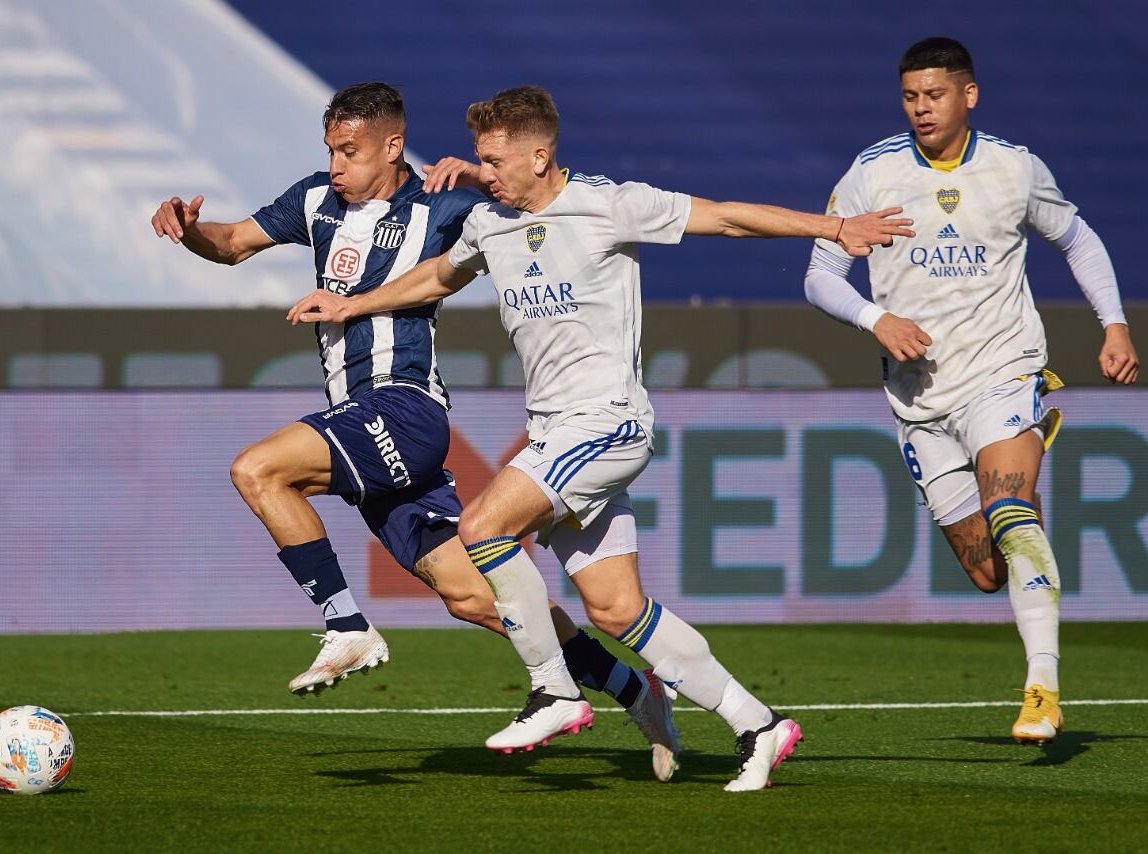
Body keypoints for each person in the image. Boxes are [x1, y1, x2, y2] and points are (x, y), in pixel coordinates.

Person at [290, 85, 913, 790]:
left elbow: (729, 218)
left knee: (483, 528)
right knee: (616, 608)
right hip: (553, 429)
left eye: (494, 161)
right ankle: (760, 726)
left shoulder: (609, 203)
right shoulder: (490, 223)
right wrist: (353, 303)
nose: (481, 172)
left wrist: (833, 231)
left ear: (539, 155)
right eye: (480, 161)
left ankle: (555, 692)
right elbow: (435, 276)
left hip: (608, 420)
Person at [151, 82, 680, 779]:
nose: (337, 165)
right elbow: (231, 243)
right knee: (479, 600)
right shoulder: (314, 201)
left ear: (392, 145)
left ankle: (346, 625)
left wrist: (478, 178)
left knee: (258, 469)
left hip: (404, 408)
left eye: (351, 150)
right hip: (359, 420)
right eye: (331, 150)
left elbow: (530, 205)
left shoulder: (444, 206)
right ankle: (633, 688)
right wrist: (190, 229)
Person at [803, 37, 1138, 744]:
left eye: (935, 95)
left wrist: (1114, 326)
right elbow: (819, 275)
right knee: (986, 569)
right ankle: (1021, 544)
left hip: (1002, 371)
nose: (921, 109)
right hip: (920, 399)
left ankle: (1042, 688)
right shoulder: (872, 171)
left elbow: (1079, 239)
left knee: (1011, 509)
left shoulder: (1014, 168)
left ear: (969, 95)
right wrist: (877, 318)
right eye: (910, 97)